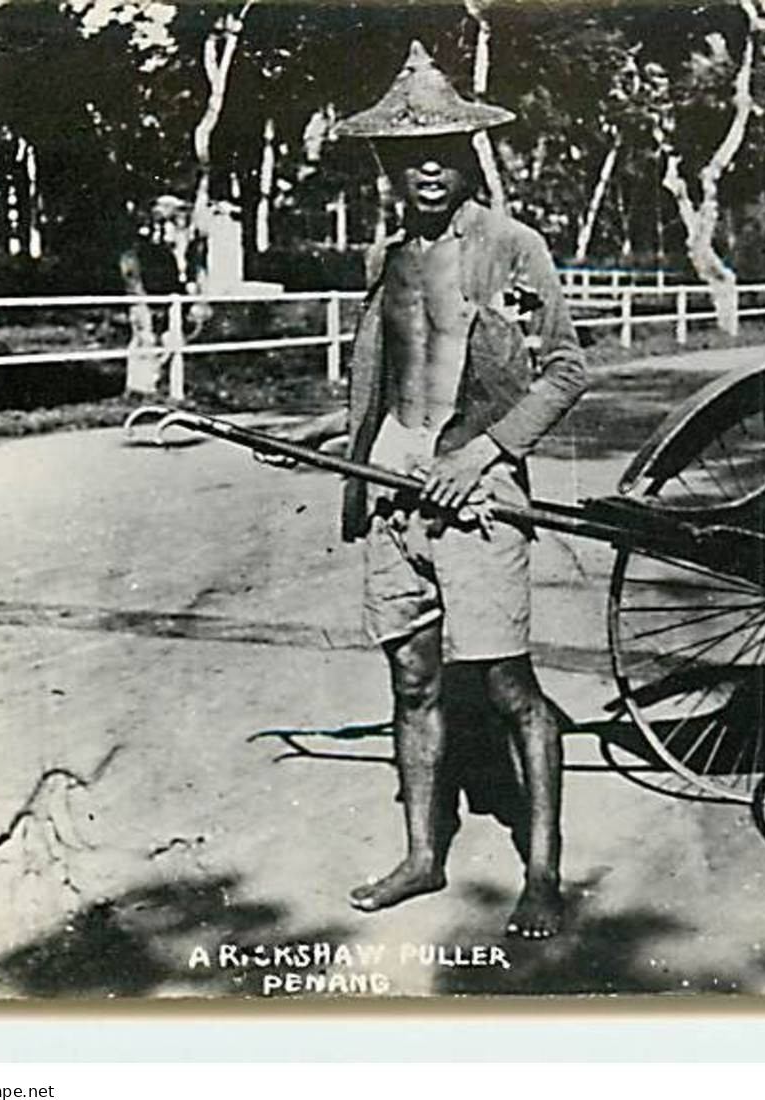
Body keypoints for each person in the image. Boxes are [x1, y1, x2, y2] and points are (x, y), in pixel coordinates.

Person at [285, 42, 587, 939]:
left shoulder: (509, 246)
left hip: (479, 491)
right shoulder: (385, 258)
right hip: (391, 493)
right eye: (407, 153)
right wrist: (347, 447)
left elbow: (566, 368)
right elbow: (381, 379)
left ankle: (542, 874)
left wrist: (485, 453)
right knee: (411, 678)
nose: (425, 166)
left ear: (466, 156)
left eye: (442, 150)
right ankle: (423, 854)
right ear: (386, 163)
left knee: (505, 685)